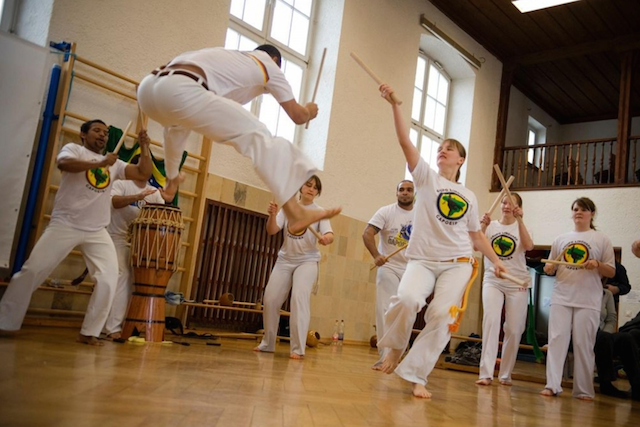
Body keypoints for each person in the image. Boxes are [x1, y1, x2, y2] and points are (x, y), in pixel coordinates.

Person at [374, 84, 507, 399]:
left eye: (450, 148)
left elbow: (475, 237)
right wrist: (395, 104)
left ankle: (417, 374)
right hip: (421, 260)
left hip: (457, 263)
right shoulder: (425, 178)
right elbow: (404, 141)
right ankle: (394, 348)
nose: (442, 150)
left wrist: (498, 261)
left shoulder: (470, 196)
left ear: (460, 159)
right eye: (440, 147)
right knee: (406, 300)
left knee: (441, 314)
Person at [137, 44, 340, 234]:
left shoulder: (230, 62)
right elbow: (297, 115)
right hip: (181, 89)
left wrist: (172, 174)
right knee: (259, 136)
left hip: (149, 91)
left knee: (176, 125)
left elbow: (178, 117)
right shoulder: (268, 65)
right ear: (275, 59)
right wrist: (309, 111)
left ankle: (171, 180)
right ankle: (295, 212)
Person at [0, 120, 152, 345]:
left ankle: (89, 331)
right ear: (83, 134)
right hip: (66, 224)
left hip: (97, 230)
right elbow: (63, 164)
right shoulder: (74, 150)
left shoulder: (116, 164)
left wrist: (145, 147)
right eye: (97, 130)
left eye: (106, 133)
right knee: (32, 271)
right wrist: (100, 163)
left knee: (109, 279)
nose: (102, 135)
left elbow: (143, 171)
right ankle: (5, 321)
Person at [541, 197, 615, 400]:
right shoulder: (561, 239)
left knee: (584, 344)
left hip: (588, 299)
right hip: (562, 296)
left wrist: (597, 264)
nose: (578, 212)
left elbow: (611, 269)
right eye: (575, 209)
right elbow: (551, 267)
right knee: (556, 341)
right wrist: (549, 268)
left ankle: (583, 390)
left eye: (583, 209)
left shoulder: (602, 239)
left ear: (591, 213)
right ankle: (552, 385)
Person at [254, 175, 333, 359]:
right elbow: (272, 230)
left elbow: (330, 234)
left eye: (315, 187)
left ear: (317, 192)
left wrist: (326, 238)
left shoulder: (320, 212)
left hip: (307, 260)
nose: (311, 189)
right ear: (301, 187)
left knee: (298, 298)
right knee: (271, 299)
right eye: (308, 185)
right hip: (285, 259)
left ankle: (297, 349)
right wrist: (272, 215)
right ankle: (268, 343)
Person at [102, 166, 169, 340]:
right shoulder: (121, 183)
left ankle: (128, 324)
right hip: (113, 238)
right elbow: (114, 202)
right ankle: (112, 328)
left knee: (136, 281)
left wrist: (168, 197)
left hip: (137, 244)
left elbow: (159, 214)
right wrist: (136, 197)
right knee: (122, 275)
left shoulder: (153, 191)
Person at [476, 192, 534, 386]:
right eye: (504, 202)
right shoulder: (491, 226)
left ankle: (505, 374)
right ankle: (485, 373)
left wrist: (521, 220)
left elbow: (529, 246)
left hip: (517, 281)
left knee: (514, 328)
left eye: (511, 203)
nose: (506, 206)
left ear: (519, 208)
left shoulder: (521, 227)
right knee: (491, 321)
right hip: (493, 279)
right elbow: (477, 246)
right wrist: (482, 225)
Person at [363, 180, 414, 369]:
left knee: (408, 310)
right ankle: (384, 357)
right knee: (385, 310)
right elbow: (367, 233)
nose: (405, 193)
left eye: (409, 190)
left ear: (414, 194)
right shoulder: (386, 211)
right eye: (401, 189)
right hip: (389, 266)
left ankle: (399, 353)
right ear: (396, 193)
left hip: (413, 268)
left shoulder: (421, 214)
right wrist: (376, 256)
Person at [594, 288, 640, 400]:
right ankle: (606, 383)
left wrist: (607, 333)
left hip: (602, 334)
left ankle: (637, 386)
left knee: (626, 338)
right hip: (582, 334)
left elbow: (611, 319)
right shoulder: (579, 292)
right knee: (603, 338)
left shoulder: (607, 294)